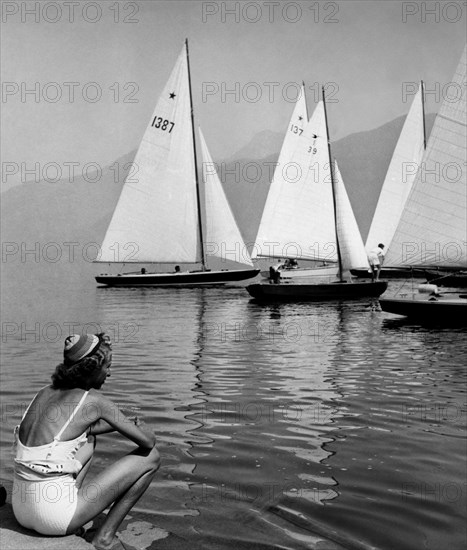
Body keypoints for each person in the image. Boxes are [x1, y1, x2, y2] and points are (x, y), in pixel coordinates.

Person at [12, 333, 160, 550]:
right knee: (152, 458)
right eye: (107, 366)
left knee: (88, 441)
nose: (109, 373)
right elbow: (148, 442)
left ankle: (71, 518)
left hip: (21, 510)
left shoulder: (43, 394)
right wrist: (142, 428)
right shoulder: (95, 402)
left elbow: (80, 429)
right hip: (53, 517)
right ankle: (105, 538)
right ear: (92, 367)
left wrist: (120, 424)